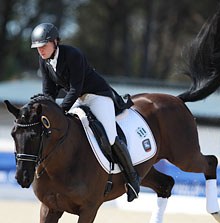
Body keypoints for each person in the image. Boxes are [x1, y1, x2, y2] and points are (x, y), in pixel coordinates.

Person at [31, 22, 140, 202]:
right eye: (37, 48)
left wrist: (60, 110)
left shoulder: (72, 54)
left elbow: (75, 88)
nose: (41, 50)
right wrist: (48, 110)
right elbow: (49, 92)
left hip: (97, 96)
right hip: (80, 99)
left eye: (44, 46)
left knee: (110, 137)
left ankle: (132, 178)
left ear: (55, 42)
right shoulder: (45, 62)